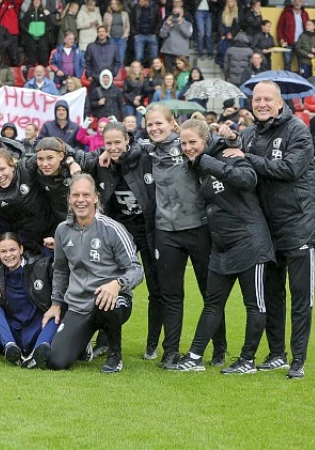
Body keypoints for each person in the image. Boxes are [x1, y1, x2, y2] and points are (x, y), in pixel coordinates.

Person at [102, 104, 221, 368]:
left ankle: (220, 349)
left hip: (198, 228)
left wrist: (232, 140)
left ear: (173, 125)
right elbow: (123, 150)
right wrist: (103, 154)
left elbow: (213, 145)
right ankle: (170, 352)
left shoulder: (186, 145)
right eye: (150, 124)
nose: (154, 129)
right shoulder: (147, 151)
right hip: (165, 232)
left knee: (208, 290)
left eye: (160, 124)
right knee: (170, 294)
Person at [222, 81, 315, 379]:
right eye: (256, 99)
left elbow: (289, 170)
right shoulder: (248, 134)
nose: (261, 104)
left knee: (301, 297)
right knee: (273, 294)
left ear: (279, 103)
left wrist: (247, 157)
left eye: (267, 99)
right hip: (266, 229)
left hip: (298, 226)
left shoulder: (298, 131)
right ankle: (277, 353)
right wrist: (229, 140)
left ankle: (298, 359)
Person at [167, 119, 272, 374]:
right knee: (212, 304)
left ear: (206, 140)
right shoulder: (196, 166)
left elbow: (247, 179)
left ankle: (247, 360)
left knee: (254, 304)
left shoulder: (227, 154)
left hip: (250, 241)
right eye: (184, 143)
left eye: (193, 142)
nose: (189, 148)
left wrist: (208, 161)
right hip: (222, 246)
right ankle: (194, 358)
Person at [75, 123, 161, 358]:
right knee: (108, 283)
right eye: (108, 143)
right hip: (119, 232)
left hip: (148, 231)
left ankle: (153, 343)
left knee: (156, 288)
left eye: (117, 143)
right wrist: (86, 159)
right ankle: (105, 339)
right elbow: (77, 156)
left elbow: (149, 144)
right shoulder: (102, 163)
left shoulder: (143, 155)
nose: (113, 148)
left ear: (128, 140)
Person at [46, 174, 143, 372]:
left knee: (106, 300)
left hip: (111, 301)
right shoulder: (62, 230)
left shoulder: (112, 229)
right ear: (69, 199)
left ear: (96, 197)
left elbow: (136, 269)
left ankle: (115, 355)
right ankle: (84, 345)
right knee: (57, 362)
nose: (81, 200)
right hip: (78, 304)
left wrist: (117, 284)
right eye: (76, 195)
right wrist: (56, 304)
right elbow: (61, 270)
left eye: (86, 195)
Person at [0, 232, 57, 368]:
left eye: (13, 250)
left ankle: (37, 353)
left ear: (21, 249)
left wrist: (56, 250)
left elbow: (59, 268)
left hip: (37, 325)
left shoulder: (38, 264)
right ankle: (10, 348)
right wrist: (0, 301)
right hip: (13, 328)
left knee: (57, 312)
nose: (8, 255)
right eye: (3, 251)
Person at [277, 0, 309, 71]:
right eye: (296, 1)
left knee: (302, 63)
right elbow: (280, 27)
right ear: (293, 2)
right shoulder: (286, 12)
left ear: (302, 3)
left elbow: (308, 28)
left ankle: (301, 80)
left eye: (299, 1)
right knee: (287, 63)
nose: (297, 3)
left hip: (301, 44)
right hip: (288, 42)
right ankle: (287, 80)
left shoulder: (305, 13)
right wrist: (281, 40)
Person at [159, 7, 193, 73]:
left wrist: (181, 24)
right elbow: (162, 35)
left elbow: (188, 35)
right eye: (174, 13)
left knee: (182, 73)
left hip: (182, 53)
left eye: (178, 13)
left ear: (182, 14)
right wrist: (167, 25)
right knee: (169, 73)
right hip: (168, 52)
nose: (176, 14)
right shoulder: (167, 22)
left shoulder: (188, 24)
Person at [131, 0, 160, 65]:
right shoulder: (136, 7)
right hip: (139, 35)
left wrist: (155, 33)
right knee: (138, 57)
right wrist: (135, 34)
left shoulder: (155, 7)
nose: (139, 2)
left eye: (141, 1)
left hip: (151, 35)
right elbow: (132, 21)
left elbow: (159, 21)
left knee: (154, 57)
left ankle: (153, 73)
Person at [103, 0, 129, 67]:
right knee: (111, 58)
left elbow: (127, 26)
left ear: (118, 5)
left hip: (121, 38)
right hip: (111, 38)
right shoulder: (107, 14)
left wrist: (125, 35)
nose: (113, 5)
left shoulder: (124, 14)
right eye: (112, 4)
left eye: (115, 4)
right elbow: (104, 26)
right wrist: (107, 35)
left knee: (121, 58)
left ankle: (120, 75)